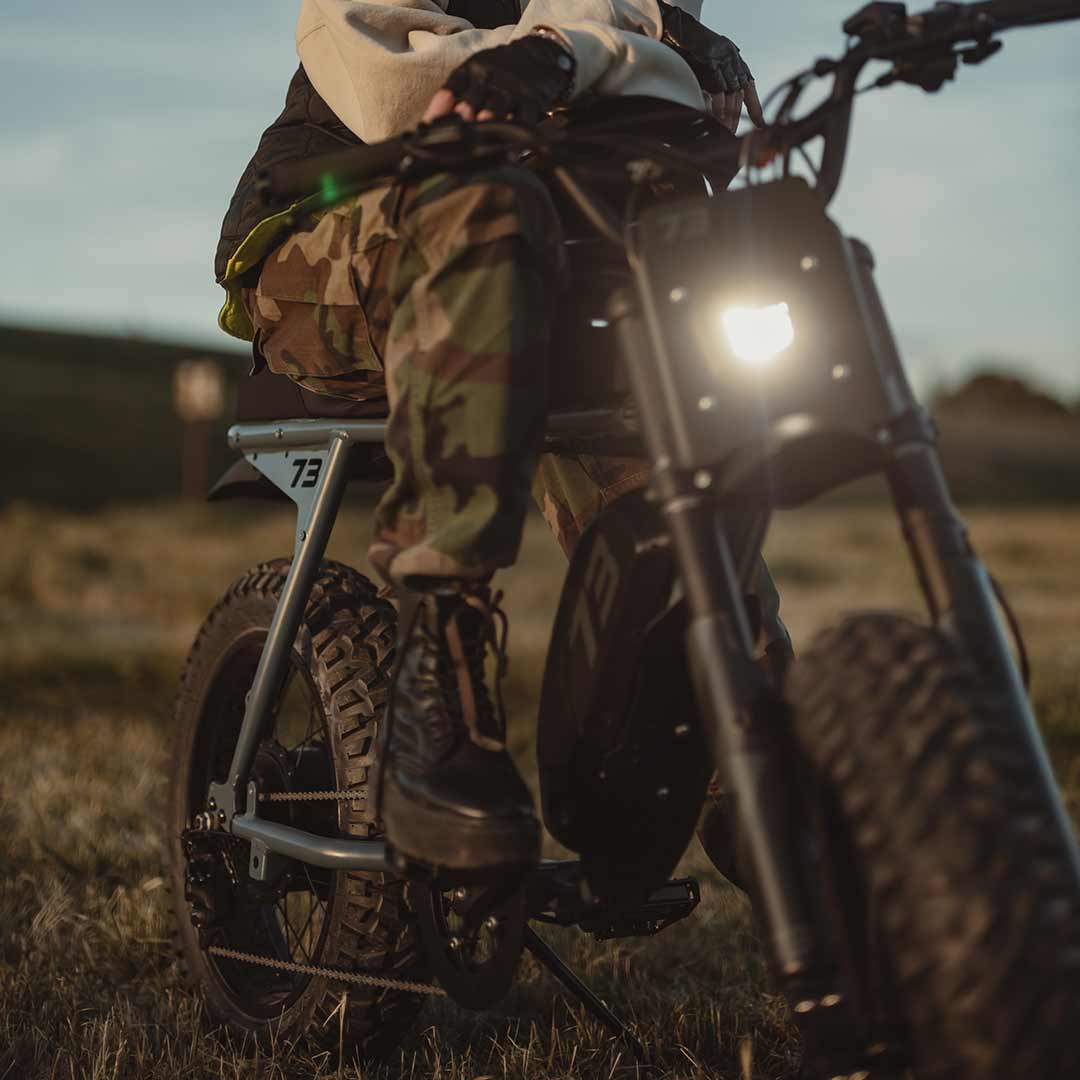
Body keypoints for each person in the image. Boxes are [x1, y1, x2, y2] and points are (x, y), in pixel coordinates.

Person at [214, 0, 789, 875]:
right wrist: (602, 54)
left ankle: (752, 758)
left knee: (682, 448)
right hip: (329, 231)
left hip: (548, 257)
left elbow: (623, 62)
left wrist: (612, 50)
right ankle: (435, 697)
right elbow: (394, 84)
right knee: (486, 208)